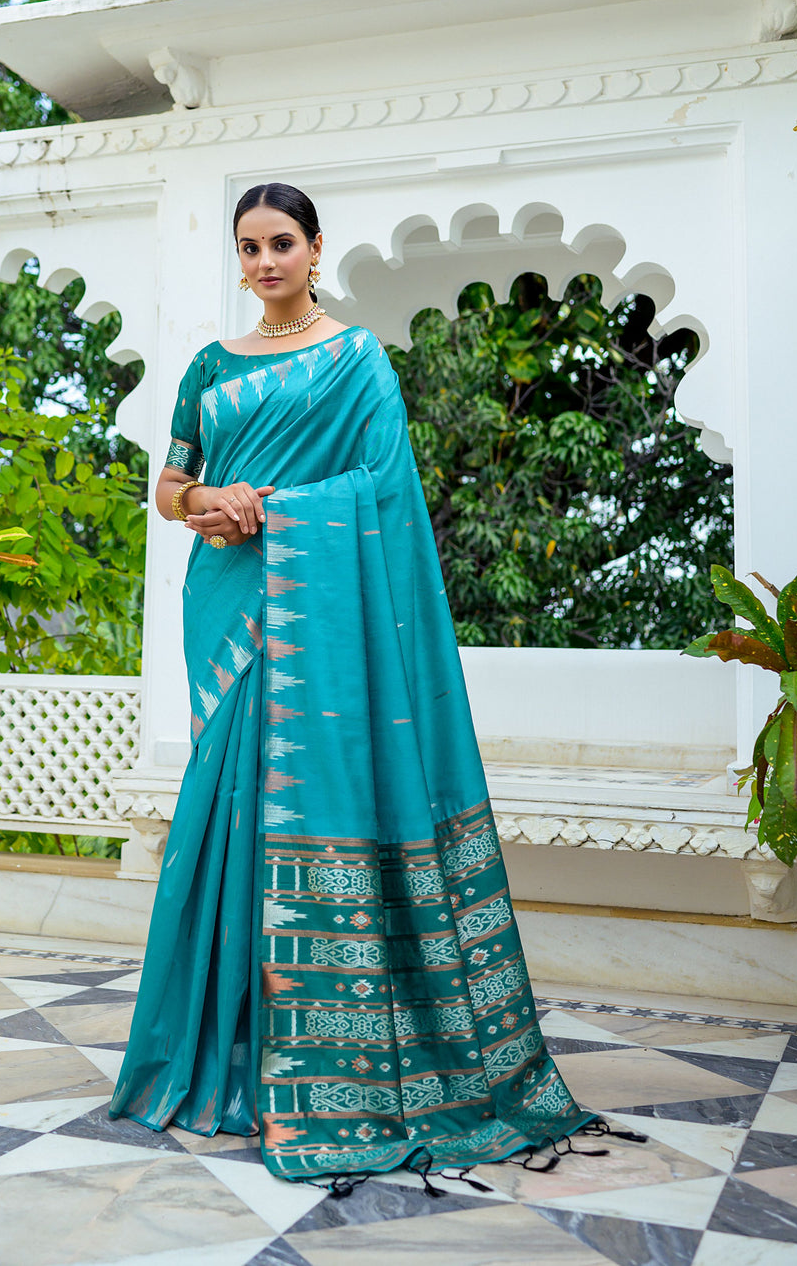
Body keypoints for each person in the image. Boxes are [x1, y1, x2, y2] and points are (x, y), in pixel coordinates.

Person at [109, 183, 606, 1187]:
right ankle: (222, 1054)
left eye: (280, 244)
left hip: (312, 602)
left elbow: (383, 489)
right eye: (247, 248)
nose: (262, 263)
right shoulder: (210, 366)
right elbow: (168, 487)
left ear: (315, 247)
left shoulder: (355, 359)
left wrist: (278, 506)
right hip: (231, 608)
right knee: (220, 811)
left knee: (283, 806)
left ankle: (325, 1067)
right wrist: (208, 497)